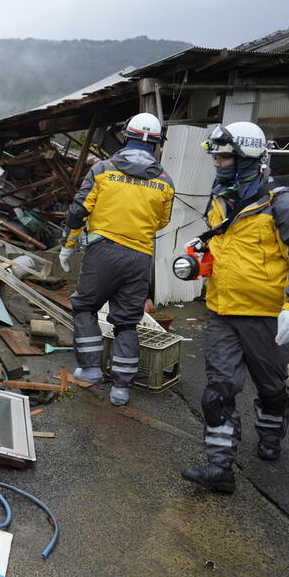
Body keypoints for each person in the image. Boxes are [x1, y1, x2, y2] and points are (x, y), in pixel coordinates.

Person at [180, 121, 289, 494]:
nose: (218, 164)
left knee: (271, 387)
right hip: (223, 312)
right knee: (218, 390)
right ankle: (220, 467)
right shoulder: (220, 197)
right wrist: (201, 255)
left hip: (267, 317)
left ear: (248, 156)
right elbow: (225, 246)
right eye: (216, 157)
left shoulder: (283, 203)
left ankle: (271, 436)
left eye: (225, 157)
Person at [58, 113, 175, 406]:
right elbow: (163, 221)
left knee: (84, 307)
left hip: (103, 252)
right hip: (139, 258)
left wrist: (68, 245)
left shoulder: (102, 169)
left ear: (126, 135)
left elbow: (78, 210)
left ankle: (90, 369)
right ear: (156, 143)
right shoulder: (165, 180)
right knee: (127, 323)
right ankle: (121, 389)